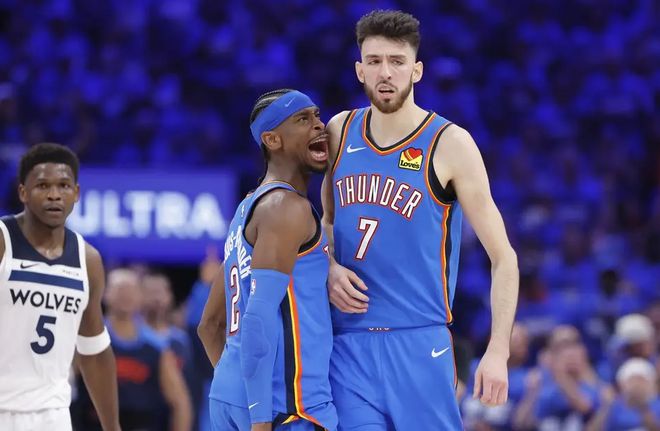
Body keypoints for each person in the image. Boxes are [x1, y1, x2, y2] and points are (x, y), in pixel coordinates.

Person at [320, 10, 519, 430]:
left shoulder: (450, 143)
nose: (385, 72)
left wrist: (498, 350)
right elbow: (326, 224)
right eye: (374, 61)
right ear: (359, 70)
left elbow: (504, 258)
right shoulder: (339, 131)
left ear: (417, 70)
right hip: (347, 348)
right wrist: (329, 265)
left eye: (397, 61)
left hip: (419, 342)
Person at [198, 88, 337, 431]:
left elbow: (209, 326)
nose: (319, 125)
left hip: (229, 397)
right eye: (302, 119)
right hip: (284, 410)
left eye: (317, 116)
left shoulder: (246, 209)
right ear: (272, 139)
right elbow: (258, 319)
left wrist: (237, 390)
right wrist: (260, 417)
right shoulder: (285, 208)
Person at [0, 143, 120, 430]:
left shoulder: (88, 259)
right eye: (43, 185)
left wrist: (112, 427)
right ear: (23, 192)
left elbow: (94, 351)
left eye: (63, 185)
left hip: (53, 414)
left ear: (76, 193)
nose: (54, 194)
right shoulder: (3, 241)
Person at [74, 267, 192, 431]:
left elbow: (180, 402)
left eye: (131, 290)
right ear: (105, 294)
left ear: (140, 297)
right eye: (120, 290)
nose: (126, 296)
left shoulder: (156, 347)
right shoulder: (90, 339)